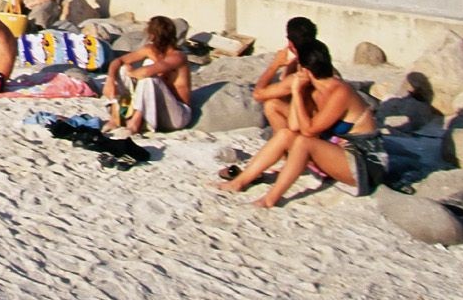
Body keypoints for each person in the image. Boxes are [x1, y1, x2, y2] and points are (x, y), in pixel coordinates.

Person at [219, 40, 385, 208]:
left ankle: (270, 199)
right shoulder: (314, 89)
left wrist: (297, 92)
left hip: (366, 162)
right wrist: (302, 92)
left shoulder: (340, 91)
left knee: (303, 142)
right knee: (285, 135)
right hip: (338, 152)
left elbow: (308, 131)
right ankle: (239, 182)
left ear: (304, 69)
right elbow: (293, 126)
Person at [102, 15, 192, 134]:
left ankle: (135, 123)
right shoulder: (150, 49)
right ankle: (115, 117)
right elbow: (117, 61)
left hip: (177, 115)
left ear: (153, 35)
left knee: (148, 78)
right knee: (122, 69)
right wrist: (110, 81)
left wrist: (131, 72)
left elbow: (146, 72)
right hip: (154, 109)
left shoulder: (177, 57)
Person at [253, 17, 320, 133]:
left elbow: (258, 94)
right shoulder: (320, 58)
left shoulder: (302, 75)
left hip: (312, 126)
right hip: (323, 118)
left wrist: (275, 65)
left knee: (271, 105)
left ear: (290, 42)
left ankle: (286, 146)